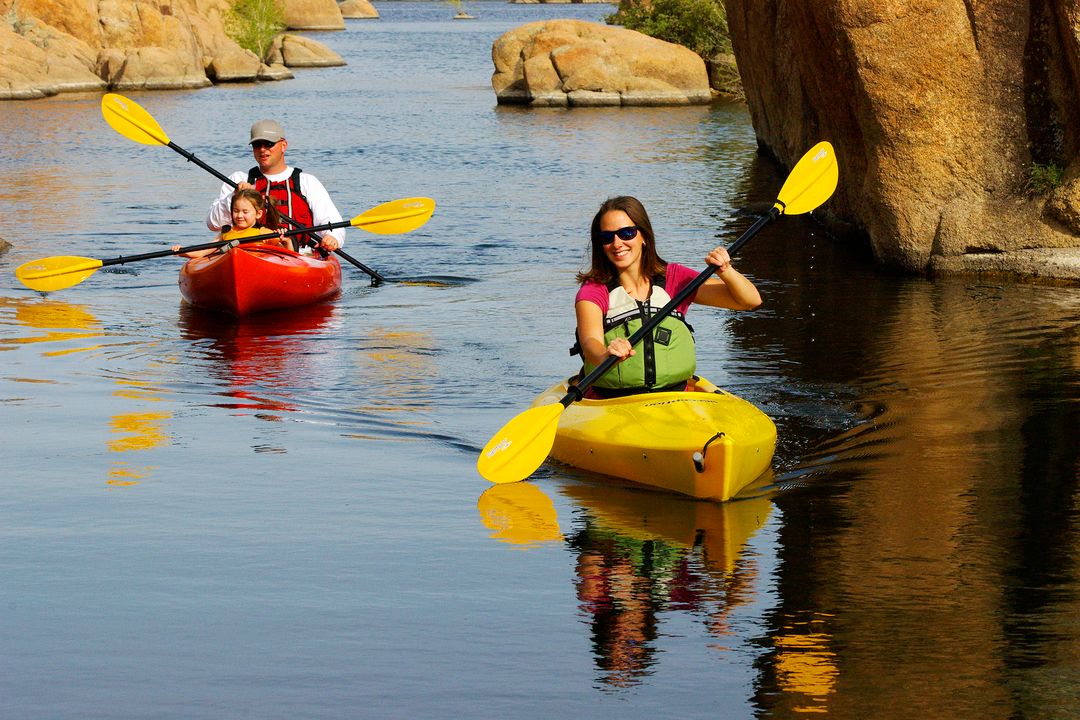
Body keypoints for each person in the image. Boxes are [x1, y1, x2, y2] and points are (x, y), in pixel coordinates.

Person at [574, 196, 762, 397]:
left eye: (627, 233)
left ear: (643, 236)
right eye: (607, 237)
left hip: (674, 396)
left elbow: (750, 301)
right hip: (611, 399)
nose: (617, 243)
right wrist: (605, 355)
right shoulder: (594, 289)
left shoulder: (674, 279)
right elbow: (590, 341)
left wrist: (726, 271)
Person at [206, 119, 345, 255]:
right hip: (248, 253)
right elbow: (213, 224)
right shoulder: (238, 179)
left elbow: (331, 221)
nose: (262, 149)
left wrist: (332, 238)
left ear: (284, 145)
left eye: (268, 144)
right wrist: (233, 197)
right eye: (256, 145)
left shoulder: (307, 182)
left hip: (300, 255)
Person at [174, 189, 286, 258]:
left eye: (245, 212)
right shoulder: (227, 232)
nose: (239, 216)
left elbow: (287, 255)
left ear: (258, 214)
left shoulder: (264, 233)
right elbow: (203, 252)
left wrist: (286, 240)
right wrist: (182, 252)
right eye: (236, 211)